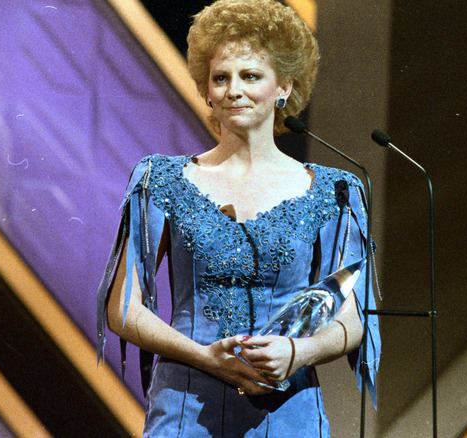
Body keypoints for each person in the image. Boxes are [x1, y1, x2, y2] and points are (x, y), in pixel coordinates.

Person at [96, 0, 380, 435]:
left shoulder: (334, 190)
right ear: (206, 89)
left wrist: (298, 352)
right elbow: (122, 306)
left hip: (288, 411)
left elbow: (353, 317)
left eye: (250, 76)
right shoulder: (161, 179)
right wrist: (205, 357)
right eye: (221, 78)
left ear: (284, 86)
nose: (233, 90)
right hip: (186, 408)